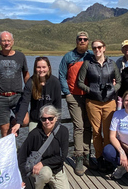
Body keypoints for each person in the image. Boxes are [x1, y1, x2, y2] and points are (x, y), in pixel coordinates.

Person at [77, 39, 121, 171]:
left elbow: (119, 81)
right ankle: (99, 157)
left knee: (108, 132)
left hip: (109, 102)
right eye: (94, 48)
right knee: (96, 132)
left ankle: (108, 157)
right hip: (92, 102)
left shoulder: (112, 64)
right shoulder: (87, 64)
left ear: (104, 48)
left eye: (99, 47)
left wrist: (113, 89)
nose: (97, 50)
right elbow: (80, 82)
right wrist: (90, 90)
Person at [18, 105, 70, 189]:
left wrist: (43, 162)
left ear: (56, 118)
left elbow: (62, 157)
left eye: (50, 118)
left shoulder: (63, 131)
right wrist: (22, 177)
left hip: (56, 167)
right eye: (44, 119)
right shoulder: (34, 134)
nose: (47, 121)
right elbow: (22, 154)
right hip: (40, 169)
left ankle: (46, 181)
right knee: (45, 173)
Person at [58, 31, 94, 176]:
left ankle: (87, 155)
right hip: (74, 96)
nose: (82, 41)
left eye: (85, 39)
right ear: (76, 40)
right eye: (80, 39)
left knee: (88, 125)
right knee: (78, 126)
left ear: (88, 41)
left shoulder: (91, 55)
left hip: (90, 96)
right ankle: (78, 157)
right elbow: (61, 74)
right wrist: (67, 92)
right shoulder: (68, 56)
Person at [0, 31, 30, 137]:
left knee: (24, 121)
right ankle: (8, 152)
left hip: (17, 96)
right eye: (4, 40)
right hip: (0, 97)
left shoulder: (20, 56)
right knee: (5, 131)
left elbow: (26, 74)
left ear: (13, 41)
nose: (6, 43)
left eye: (9, 40)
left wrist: (29, 91)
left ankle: (13, 122)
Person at [11, 57, 61, 135]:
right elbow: (24, 103)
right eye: (38, 67)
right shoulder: (30, 82)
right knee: (34, 143)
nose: (41, 70)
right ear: (35, 68)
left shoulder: (55, 82)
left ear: (49, 68)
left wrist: (57, 123)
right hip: (36, 119)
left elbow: (58, 106)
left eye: (44, 67)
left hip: (50, 120)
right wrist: (18, 123)